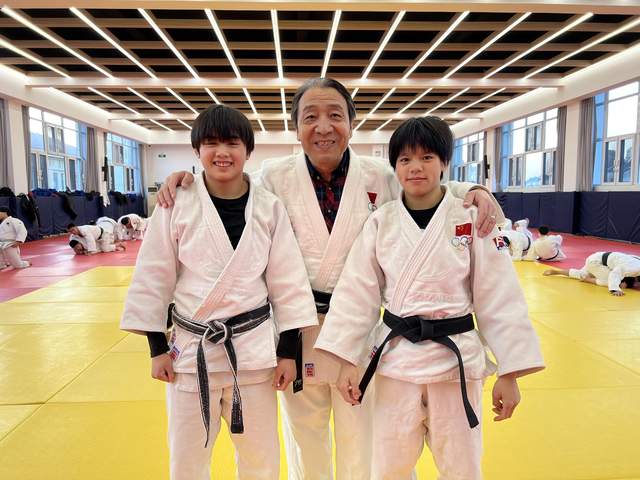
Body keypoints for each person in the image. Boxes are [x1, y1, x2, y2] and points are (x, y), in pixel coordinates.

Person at [155, 77, 503, 480]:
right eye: (310, 117)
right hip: (297, 331)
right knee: (304, 435)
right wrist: (187, 182)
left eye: (335, 115)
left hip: (359, 332)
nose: (323, 127)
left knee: (363, 435)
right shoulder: (273, 177)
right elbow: (227, 186)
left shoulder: (378, 175)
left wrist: (473, 189)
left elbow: (425, 184)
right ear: (296, 127)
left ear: (352, 124)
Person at [315, 116, 545, 480]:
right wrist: (347, 360)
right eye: (405, 159)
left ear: (444, 163)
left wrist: (510, 371)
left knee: (462, 467)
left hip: (455, 363)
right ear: (395, 168)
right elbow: (357, 293)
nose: (415, 167)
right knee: (387, 468)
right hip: (396, 363)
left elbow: (499, 297)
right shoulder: (381, 222)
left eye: (426, 157)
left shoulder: (471, 219)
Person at [120, 104, 318, 480]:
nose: (222, 152)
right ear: (197, 150)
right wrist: (156, 348)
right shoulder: (175, 203)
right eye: (211, 143)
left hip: (253, 354)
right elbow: (153, 276)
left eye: (232, 143)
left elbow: (288, 283)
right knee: (187, 460)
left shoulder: (269, 208)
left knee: (261, 460)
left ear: (248, 151)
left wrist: (288, 352)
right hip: (190, 354)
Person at [543, 251, 640, 296]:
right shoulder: (633, 268)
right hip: (596, 262)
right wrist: (615, 289)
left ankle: (556, 271)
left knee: (581, 274)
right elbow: (614, 274)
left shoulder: (635, 265)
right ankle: (588, 280)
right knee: (611, 281)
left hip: (597, 257)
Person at [0, 206, 31, 271]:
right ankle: (2, 264)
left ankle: (27, 263)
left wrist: (18, 241)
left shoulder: (14, 221)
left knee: (18, 265)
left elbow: (22, 230)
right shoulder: (1, 224)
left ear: (5, 213)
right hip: (1, 244)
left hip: (10, 244)